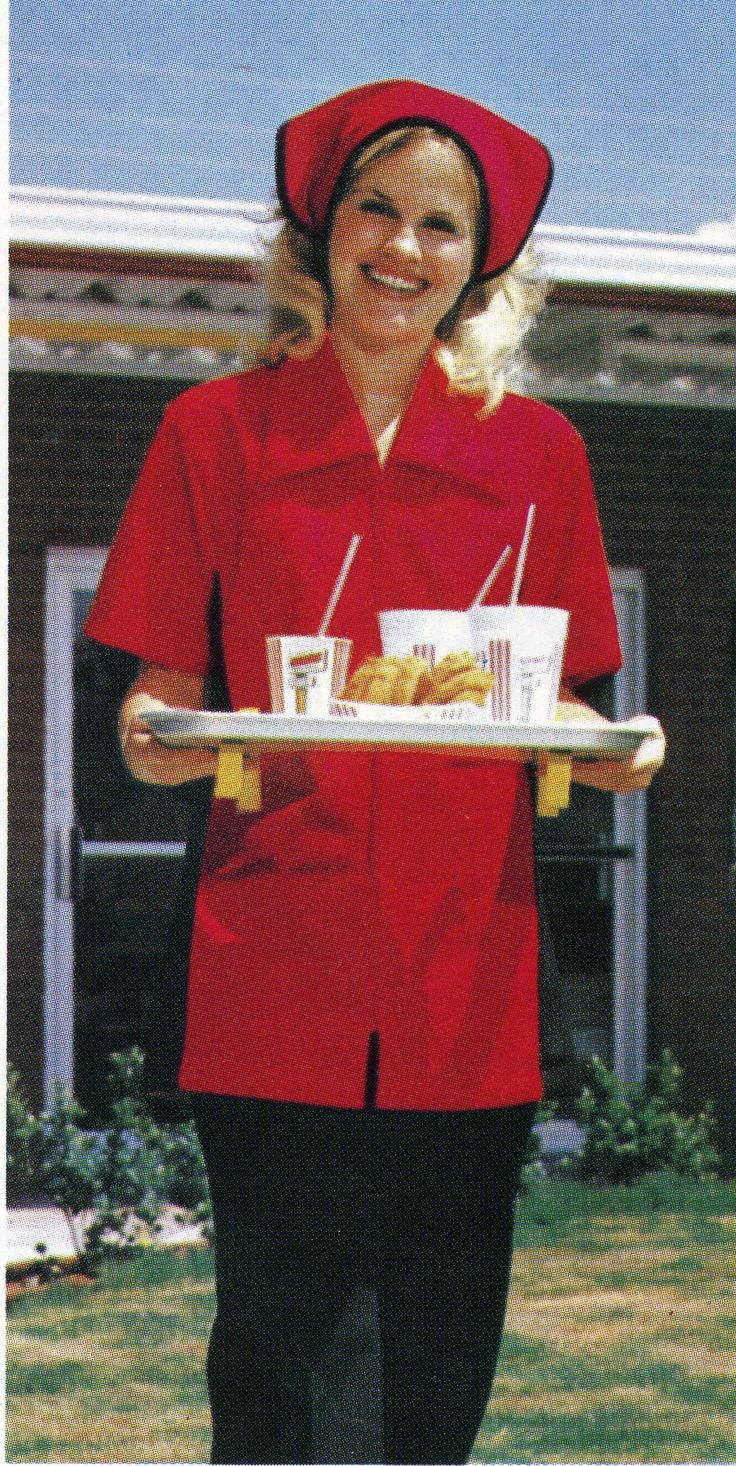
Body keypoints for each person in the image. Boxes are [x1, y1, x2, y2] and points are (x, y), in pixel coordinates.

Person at [85, 80, 666, 1465]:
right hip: (270, 963)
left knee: (438, 1363)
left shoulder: (539, 457)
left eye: (441, 225)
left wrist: (621, 756)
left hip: (466, 981)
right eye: (376, 210)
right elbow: (150, 704)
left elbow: (573, 705)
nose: (402, 248)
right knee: (277, 1366)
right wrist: (165, 736)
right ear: (321, 232)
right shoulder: (217, 435)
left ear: (484, 259)